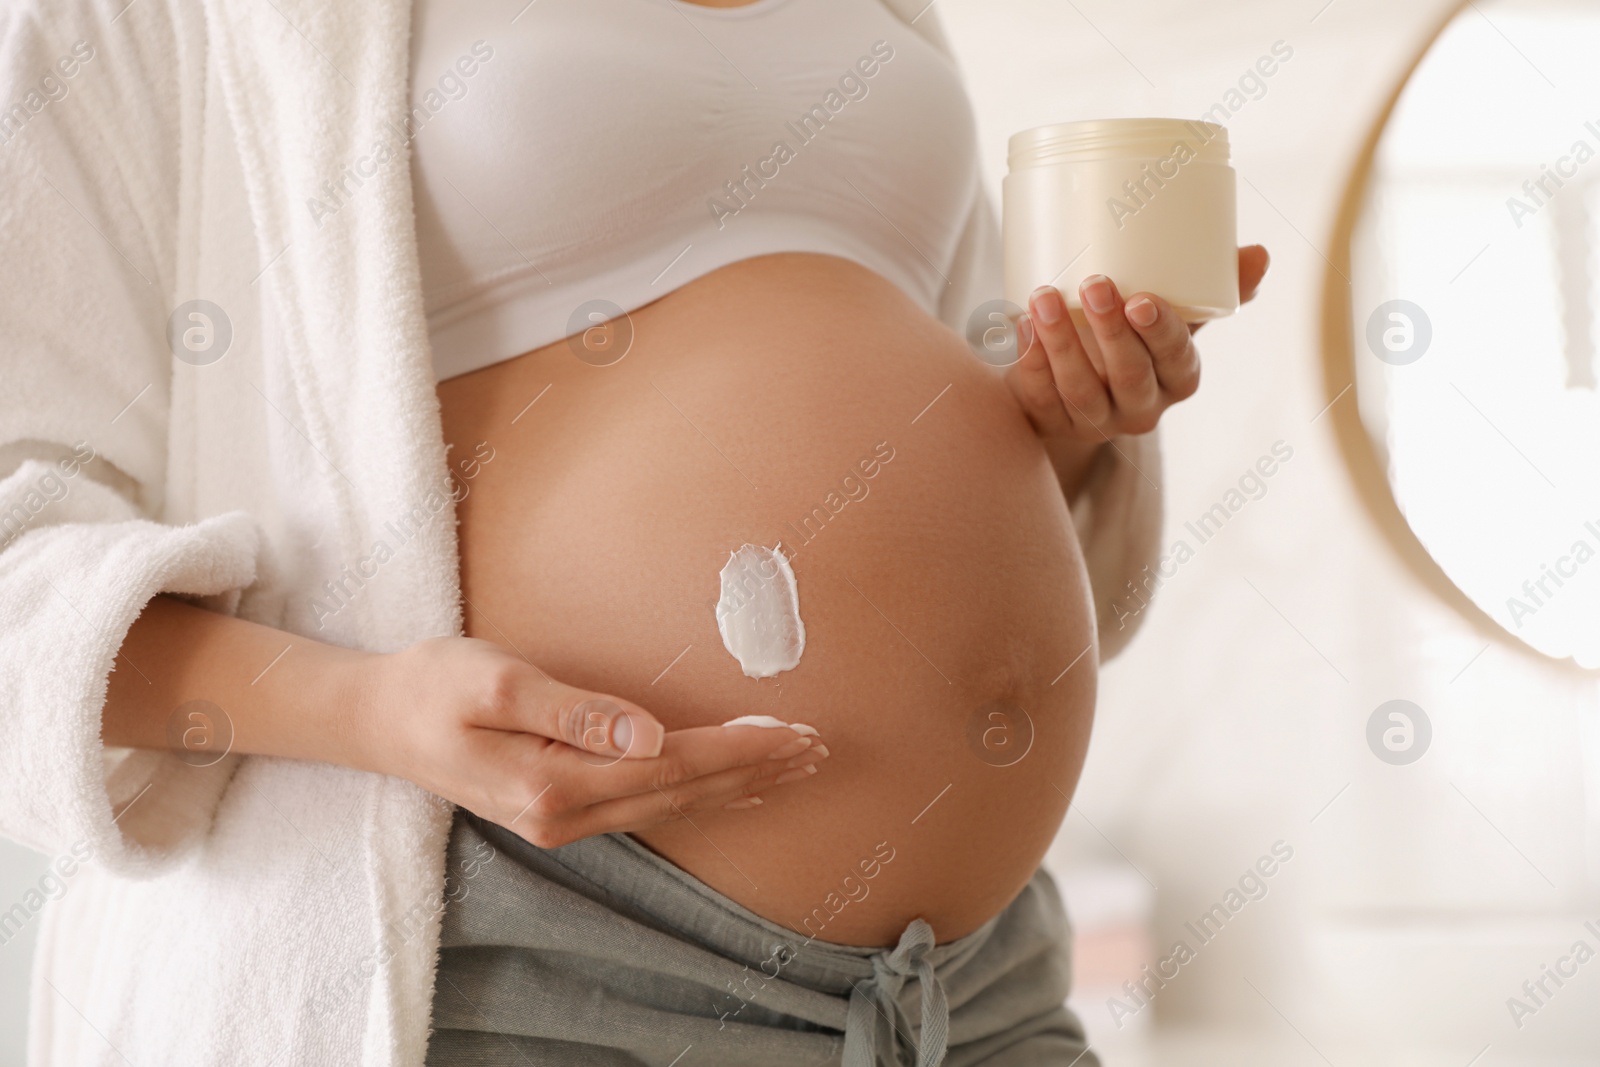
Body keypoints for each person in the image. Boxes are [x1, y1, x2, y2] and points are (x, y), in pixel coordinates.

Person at [0, 0, 1266, 1062]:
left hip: (975, 987)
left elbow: (932, 397)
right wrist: (370, 710)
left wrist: (1073, 419)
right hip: (523, 950)